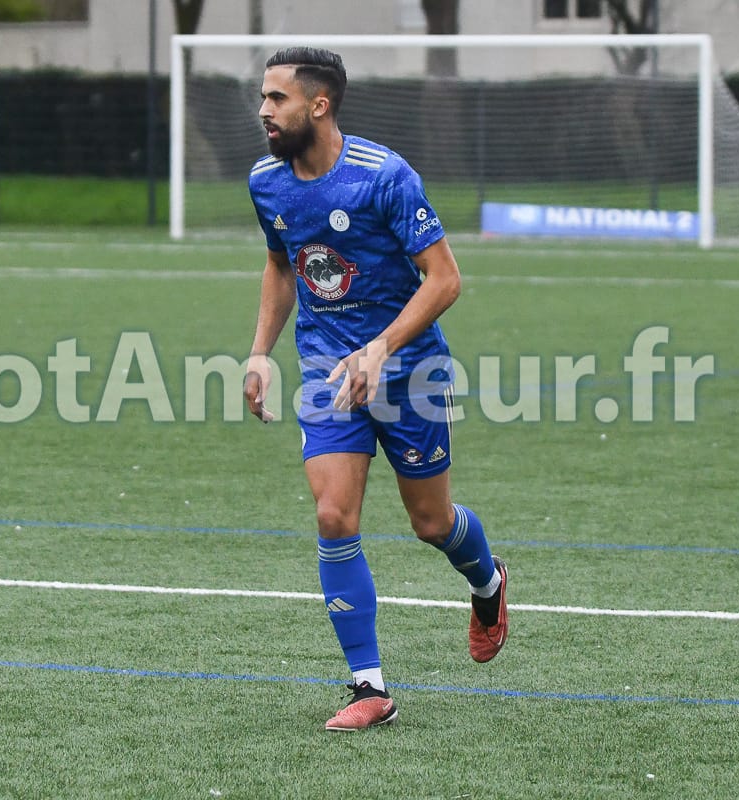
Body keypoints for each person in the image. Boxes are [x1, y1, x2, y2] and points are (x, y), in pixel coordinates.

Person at [242, 47, 509, 732]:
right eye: (263, 97)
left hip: (411, 370)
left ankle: (487, 582)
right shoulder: (267, 182)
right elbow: (282, 265)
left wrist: (381, 349)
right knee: (334, 515)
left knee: (432, 524)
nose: (264, 110)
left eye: (277, 98)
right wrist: (260, 353)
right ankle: (369, 687)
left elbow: (444, 279)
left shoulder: (383, 176)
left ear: (319, 105)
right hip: (330, 369)